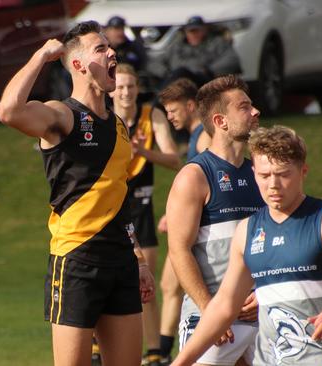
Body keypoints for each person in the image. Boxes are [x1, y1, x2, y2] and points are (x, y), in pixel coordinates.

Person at [0, 21, 155, 366]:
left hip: (122, 262)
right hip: (78, 260)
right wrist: (42, 56)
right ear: (79, 65)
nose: (112, 52)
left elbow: (119, 199)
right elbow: (7, 111)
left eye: (109, 48)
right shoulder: (62, 115)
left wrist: (139, 259)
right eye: (100, 49)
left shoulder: (119, 126)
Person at [171, 126, 322, 366]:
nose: (273, 185)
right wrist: (180, 362)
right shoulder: (248, 231)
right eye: (265, 175)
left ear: (303, 172)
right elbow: (224, 305)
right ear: (253, 173)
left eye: (283, 174)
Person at [165, 75, 264, 366]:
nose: (256, 112)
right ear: (221, 121)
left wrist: (265, 293)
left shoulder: (262, 174)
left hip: (259, 316)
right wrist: (211, 312)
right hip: (209, 317)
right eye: (245, 107)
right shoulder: (195, 176)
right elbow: (179, 250)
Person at [111, 63, 182, 366]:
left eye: (131, 86)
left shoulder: (150, 117)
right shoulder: (102, 117)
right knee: (110, 277)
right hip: (109, 206)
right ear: (111, 88)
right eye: (120, 86)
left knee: (145, 280)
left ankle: (155, 351)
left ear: (138, 88)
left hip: (140, 206)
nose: (126, 92)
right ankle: (101, 343)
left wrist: (142, 152)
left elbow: (174, 159)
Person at [147, 77, 212, 364]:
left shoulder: (205, 137)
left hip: (200, 230)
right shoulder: (197, 138)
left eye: (173, 110)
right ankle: (162, 352)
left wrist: (178, 216)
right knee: (169, 286)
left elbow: (210, 183)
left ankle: (164, 353)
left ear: (190, 105)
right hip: (190, 224)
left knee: (173, 286)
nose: (169, 116)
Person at [148, 16, 241, 88]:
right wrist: (166, 73)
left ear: (204, 30)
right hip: (175, 81)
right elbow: (154, 63)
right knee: (179, 73)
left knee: (181, 72)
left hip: (203, 81)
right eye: (190, 31)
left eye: (197, 31)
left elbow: (231, 59)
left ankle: (160, 100)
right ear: (186, 32)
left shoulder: (216, 42)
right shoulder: (177, 46)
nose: (194, 34)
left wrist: (210, 70)